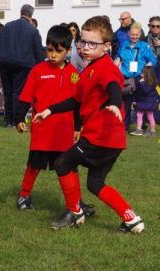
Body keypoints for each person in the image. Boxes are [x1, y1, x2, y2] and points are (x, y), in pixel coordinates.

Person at [33, 16, 145, 233]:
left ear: (106, 47)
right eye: (82, 42)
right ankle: (131, 219)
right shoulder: (89, 69)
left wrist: (114, 103)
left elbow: (114, 86)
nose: (85, 47)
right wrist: (49, 110)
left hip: (100, 137)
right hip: (113, 140)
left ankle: (75, 213)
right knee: (95, 184)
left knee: (63, 162)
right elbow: (75, 100)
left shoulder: (105, 67)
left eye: (92, 44)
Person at [14, 25, 93, 216]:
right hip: (42, 130)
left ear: (68, 50)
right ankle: (24, 196)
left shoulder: (75, 73)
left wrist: (77, 126)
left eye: (58, 51)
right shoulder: (38, 70)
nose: (53, 54)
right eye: (49, 49)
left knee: (69, 168)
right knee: (34, 165)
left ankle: (77, 202)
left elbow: (77, 104)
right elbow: (26, 97)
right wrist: (19, 118)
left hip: (64, 132)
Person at [0, 4, 45, 127]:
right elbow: (38, 51)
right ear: (31, 16)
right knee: (17, 93)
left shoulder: (7, 26)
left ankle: (7, 119)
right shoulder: (33, 30)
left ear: (20, 12)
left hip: (5, 63)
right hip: (23, 65)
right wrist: (43, 66)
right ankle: (16, 120)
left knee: (7, 92)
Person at [114, 22, 156, 132]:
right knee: (126, 103)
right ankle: (124, 125)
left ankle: (142, 126)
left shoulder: (144, 46)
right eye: (133, 34)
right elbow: (118, 56)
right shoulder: (123, 44)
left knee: (142, 103)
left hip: (139, 78)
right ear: (129, 34)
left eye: (137, 35)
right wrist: (116, 62)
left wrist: (147, 67)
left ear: (140, 34)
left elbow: (153, 59)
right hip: (126, 78)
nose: (134, 37)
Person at [131, 66, 158, 136]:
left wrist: (141, 82)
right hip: (144, 101)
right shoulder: (149, 82)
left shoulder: (150, 83)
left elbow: (146, 91)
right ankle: (140, 129)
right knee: (140, 114)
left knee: (149, 116)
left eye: (143, 73)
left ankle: (151, 131)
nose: (141, 74)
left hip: (148, 102)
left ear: (147, 74)